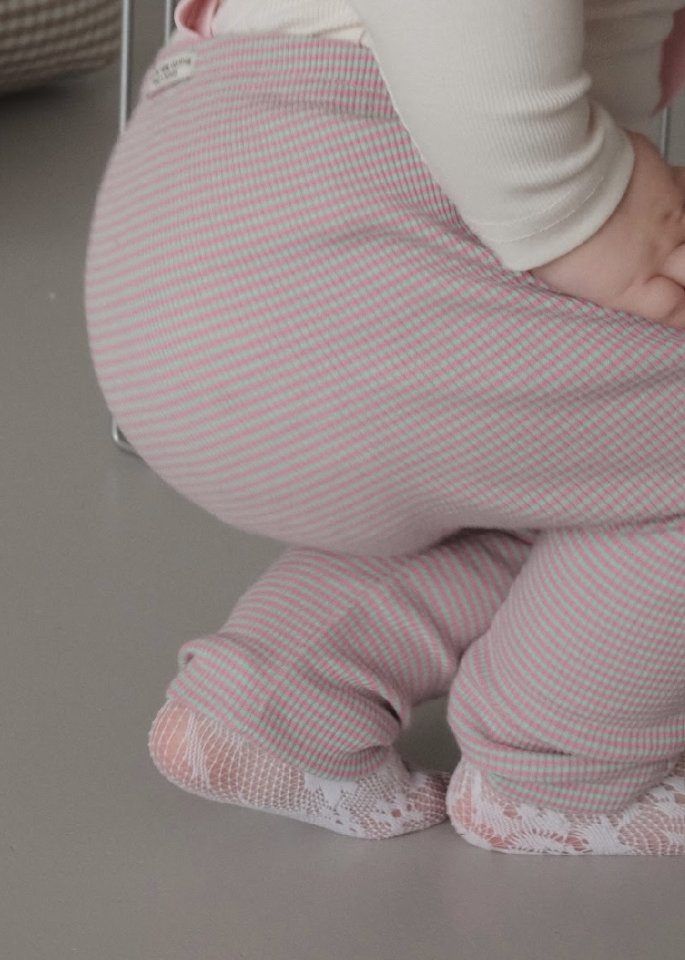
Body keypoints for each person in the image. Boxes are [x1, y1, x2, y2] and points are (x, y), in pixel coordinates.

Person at [85, 0, 685, 854]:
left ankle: (281, 702)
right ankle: (560, 770)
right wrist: (577, 210)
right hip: (351, 224)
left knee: (589, 455)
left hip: (184, 250)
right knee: (634, 432)